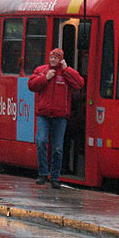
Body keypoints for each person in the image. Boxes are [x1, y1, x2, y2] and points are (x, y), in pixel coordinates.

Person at [27, 48, 83, 189]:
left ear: (61, 60)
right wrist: (45, 78)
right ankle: (42, 173)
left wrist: (67, 70)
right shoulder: (42, 70)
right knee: (41, 141)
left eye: (56, 58)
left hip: (60, 116)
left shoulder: (66, 73)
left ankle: (55, 177)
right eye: (51, 57)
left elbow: (79, 84)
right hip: (43, 114)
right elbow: (31, 85)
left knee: (57, 148)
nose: (53, 60)